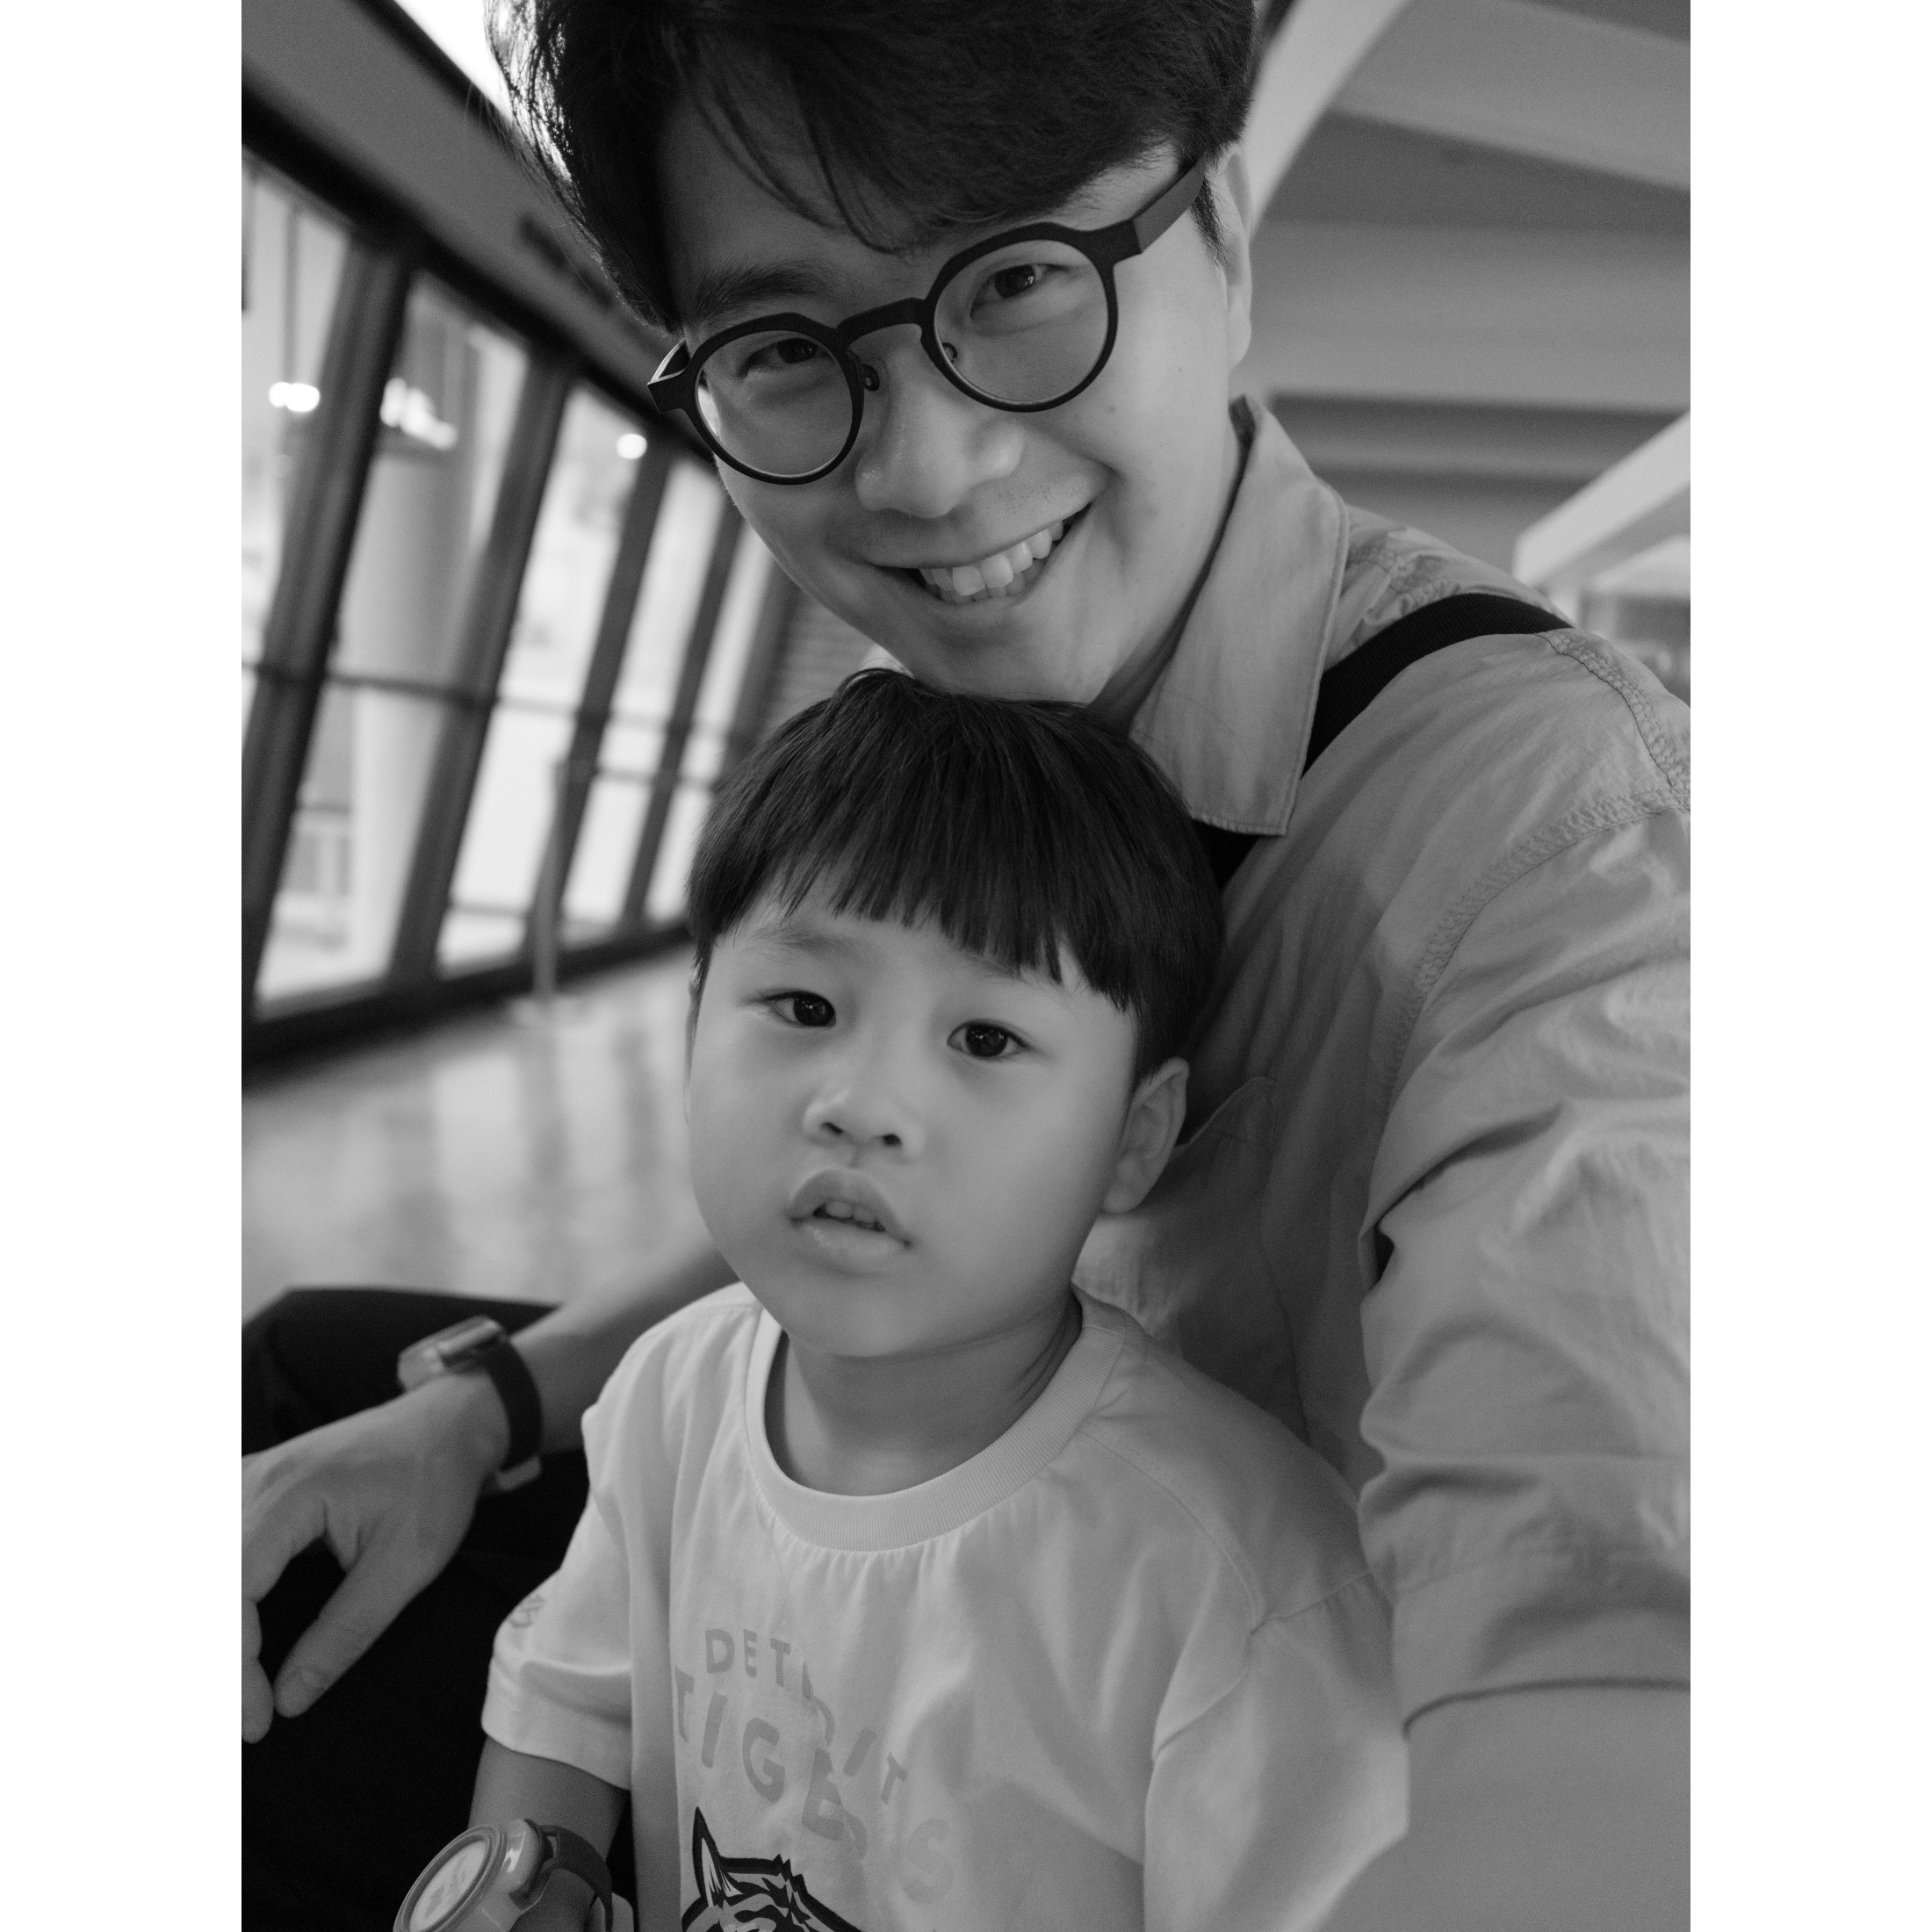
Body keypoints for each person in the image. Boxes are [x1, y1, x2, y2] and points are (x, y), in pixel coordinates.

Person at [243, 4, 1690, 1927]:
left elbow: (1626, 1692)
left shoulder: (1557, 843)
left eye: (1014, 279)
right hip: (909, 1566)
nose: (925, 471)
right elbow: (868, 1168)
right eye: (783, 345)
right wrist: (490, 1405)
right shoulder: (951, 702)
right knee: (302, 1401)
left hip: (1163, 1742)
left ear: (1222, 237)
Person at [446, 669, 1404, 1932]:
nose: (862, 1104)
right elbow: (564, 1702)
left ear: (1134, 1136)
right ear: (690, 1034)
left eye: (986, 1040)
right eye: (805, 1007)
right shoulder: (675, 1395)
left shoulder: (1236, 1585)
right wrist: (530, 1879)